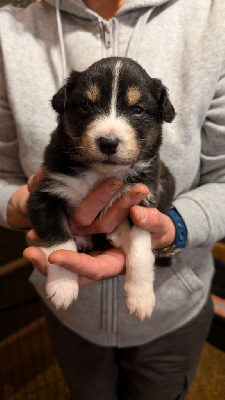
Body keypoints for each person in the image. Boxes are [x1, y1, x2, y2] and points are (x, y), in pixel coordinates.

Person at [0, 0, 225, 399]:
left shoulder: (215, 17)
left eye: (137, 111)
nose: (109, 131)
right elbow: (15, 189)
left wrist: (172, 228)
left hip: (175, 309)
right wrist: (23, 208)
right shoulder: (8, 30)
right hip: (69, 316)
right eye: (86, 107)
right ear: (66, 109)